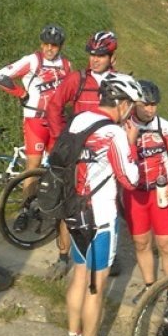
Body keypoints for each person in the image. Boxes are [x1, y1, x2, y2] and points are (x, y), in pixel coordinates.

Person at [62, 74, 143, 336]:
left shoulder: (79, 120)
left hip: (73, 210)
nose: (130, 112)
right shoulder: (114, 133)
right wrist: (130, 143)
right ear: (121, 104)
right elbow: (130, 180)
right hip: (100, 217)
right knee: (96, 286)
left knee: (78, 275)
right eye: (130, 106)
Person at [45, 30, 119, 279]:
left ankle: (107, 254)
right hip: (76, 157)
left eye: (101, 55)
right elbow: (54, 106)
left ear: (112, 57)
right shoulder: (77, 79)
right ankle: (63, 256)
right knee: (70, 206)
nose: (94, 59)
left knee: (107, 204)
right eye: (92, 54)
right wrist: (61, 140)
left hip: (105, 158)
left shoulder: (119, 82)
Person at [122, 80, 168, 304]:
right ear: (135, 103)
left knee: (166, 244)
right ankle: (149, 288)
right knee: (141, 243)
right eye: (145, 104)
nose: (150, 109)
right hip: (135, 194)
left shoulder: (164, 127)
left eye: (154, 105)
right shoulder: (122, 127)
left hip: (159, 193)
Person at [0, 24, 72, 191]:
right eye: (46, 44)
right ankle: (26, 204)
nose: (49, 48)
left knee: (57, 165)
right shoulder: (32, 60)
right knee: (33, 167)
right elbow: (0, 76)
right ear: (41, 44)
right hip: (35, 120)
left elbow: (71, 91)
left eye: (54, 45)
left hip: (57, 121)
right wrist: (21, 94)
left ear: (60, 46)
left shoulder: (66, 65)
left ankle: (49, 201)